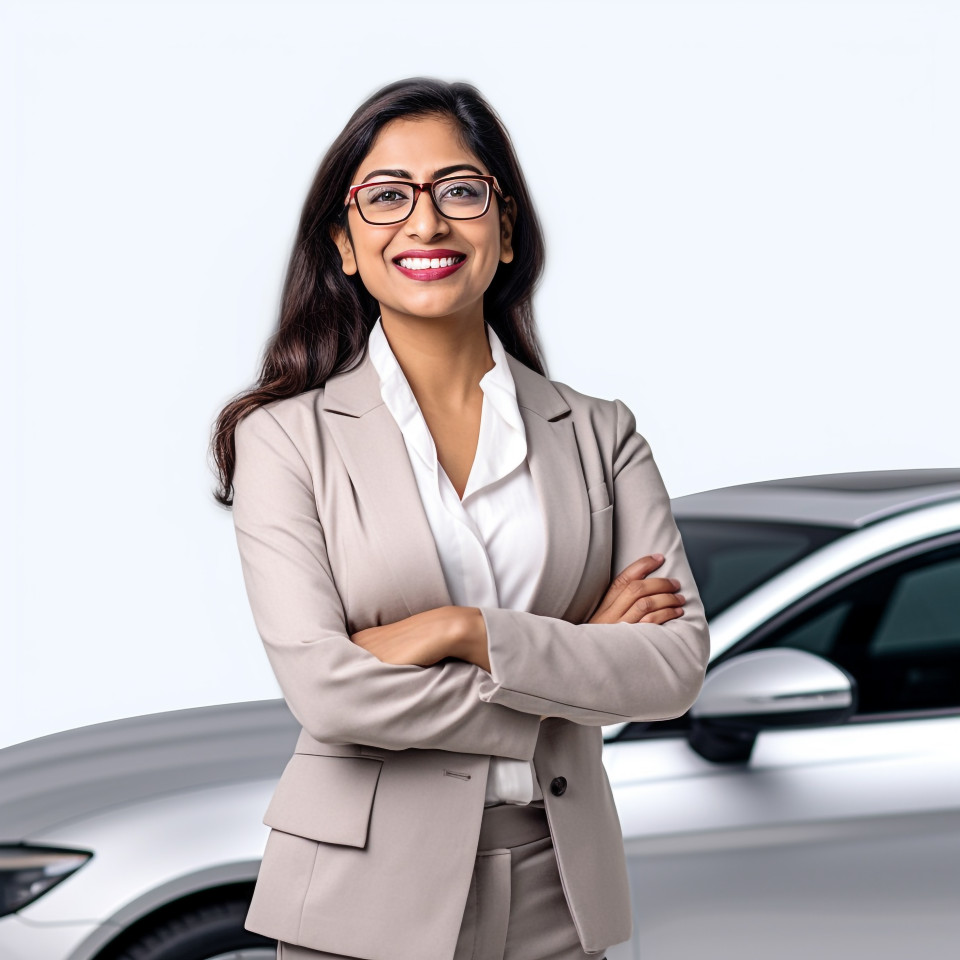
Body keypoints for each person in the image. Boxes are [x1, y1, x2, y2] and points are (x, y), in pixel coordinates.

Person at [211, 77, 710, 960]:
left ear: (505, 229)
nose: (427, 222)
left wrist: (462, 631)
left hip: (562, 885)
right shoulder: (284, 439)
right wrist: (575, 665)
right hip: (357, 892)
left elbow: (672, 669)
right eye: (387, 197)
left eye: (459, 190)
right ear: (344, 242)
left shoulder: (601, 433)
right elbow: (327, 690)